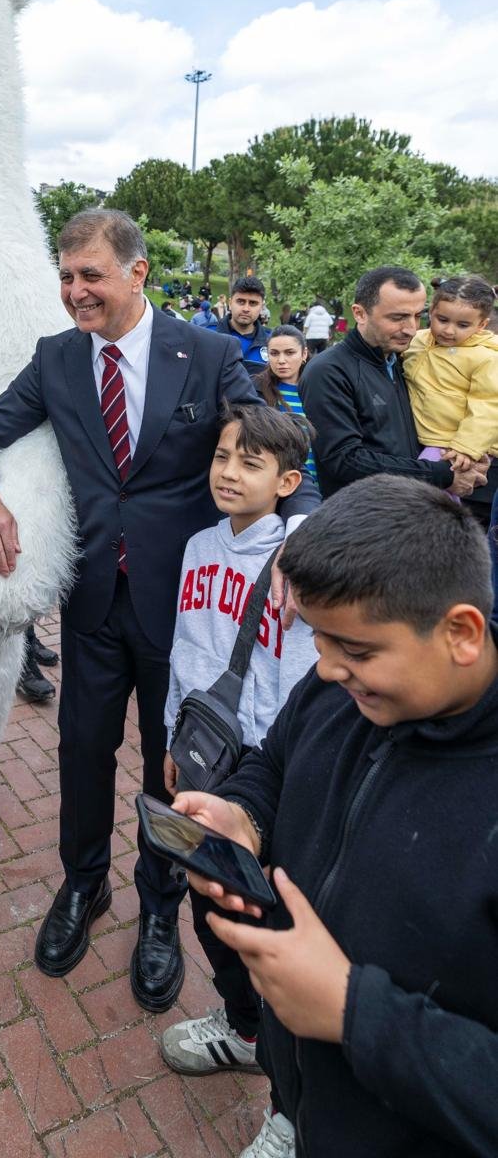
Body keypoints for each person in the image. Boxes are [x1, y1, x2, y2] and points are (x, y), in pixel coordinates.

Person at [0, 210, 318, 1012]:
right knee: (82, 751)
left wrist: (299, 532)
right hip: (91, 604)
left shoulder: (211, 352)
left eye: (90, 275)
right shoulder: (55, 359)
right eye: (66, 275)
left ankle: (159, 907)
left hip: (182, 616)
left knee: (172, 761)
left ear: (138, 273)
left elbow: (281, 442)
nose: (75, 290)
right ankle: (83, 887)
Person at [171, 477, 498, 1158]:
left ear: (461, 633)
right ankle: (287, 1117)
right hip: (304, 1070)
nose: (324, 669)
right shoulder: (343, 691)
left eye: (355, 650)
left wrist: (355, 1013)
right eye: (318, 639)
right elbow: (277, 759)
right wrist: (243, 816)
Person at [159, 404, 316, 1080]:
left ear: (288, 481)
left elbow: (302, 682)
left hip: (264, 769)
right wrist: (173, 736)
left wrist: (277, 778)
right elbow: (185, 653)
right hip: (204, 757)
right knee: (208, 905)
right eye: (223, 457)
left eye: (250, 463)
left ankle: (292, 1085)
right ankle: (243, 1027)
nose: (228, 472)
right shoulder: (199, 546)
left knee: (269, 921)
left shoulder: (297, 564)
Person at [299, 265, 489, 503]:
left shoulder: (407, 360)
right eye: (397, 317)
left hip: (418, 513)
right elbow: (344, 460)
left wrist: (468, 454)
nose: (411, 329)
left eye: (418, 315)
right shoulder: (327, 371)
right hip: (364, 521)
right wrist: (441, 475)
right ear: (359, 313)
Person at [402, 274, 498, 480]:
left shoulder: (486, 357)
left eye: (463, 325)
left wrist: (466, 446)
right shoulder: (417, 340)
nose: (448, 330)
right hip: (422, 436)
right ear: (431, 312)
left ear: (482, 325)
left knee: (421, 489)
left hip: (453, 444)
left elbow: (489, 406)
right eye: (442, 320)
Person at [255, 325, 318, 484]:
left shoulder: (321, 387)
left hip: (320, 482)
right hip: (277, 482)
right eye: (274, 353)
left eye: (290, 353)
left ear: (304, 354)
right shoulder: (256, 391)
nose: (281, 360)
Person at [212, 276, 271, 376]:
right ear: (230, 303)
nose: (246, 309)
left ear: (261, 307)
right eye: (241, 301)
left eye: (253, 303)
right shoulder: (207, 333)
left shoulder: (271, 340)